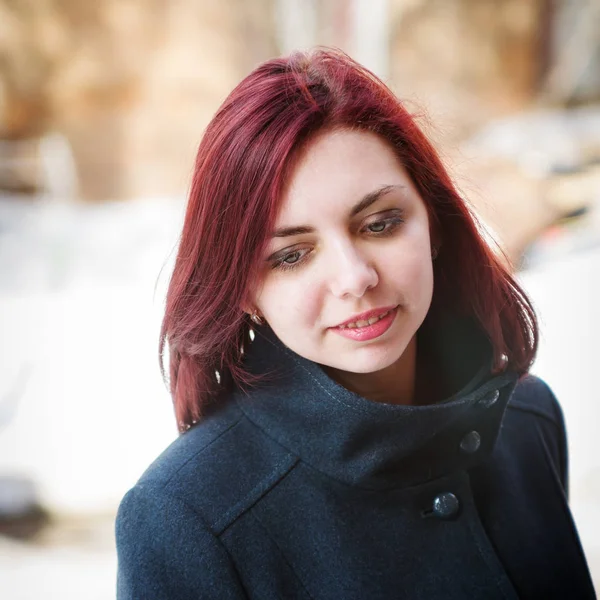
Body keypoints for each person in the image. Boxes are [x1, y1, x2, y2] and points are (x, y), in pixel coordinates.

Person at [115, 48, 596, 599]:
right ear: (244, 289)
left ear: (433, 223)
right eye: (291, 255)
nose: (354, 277)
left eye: (381, 224)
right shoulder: (185, 518)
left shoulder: (526, 422)